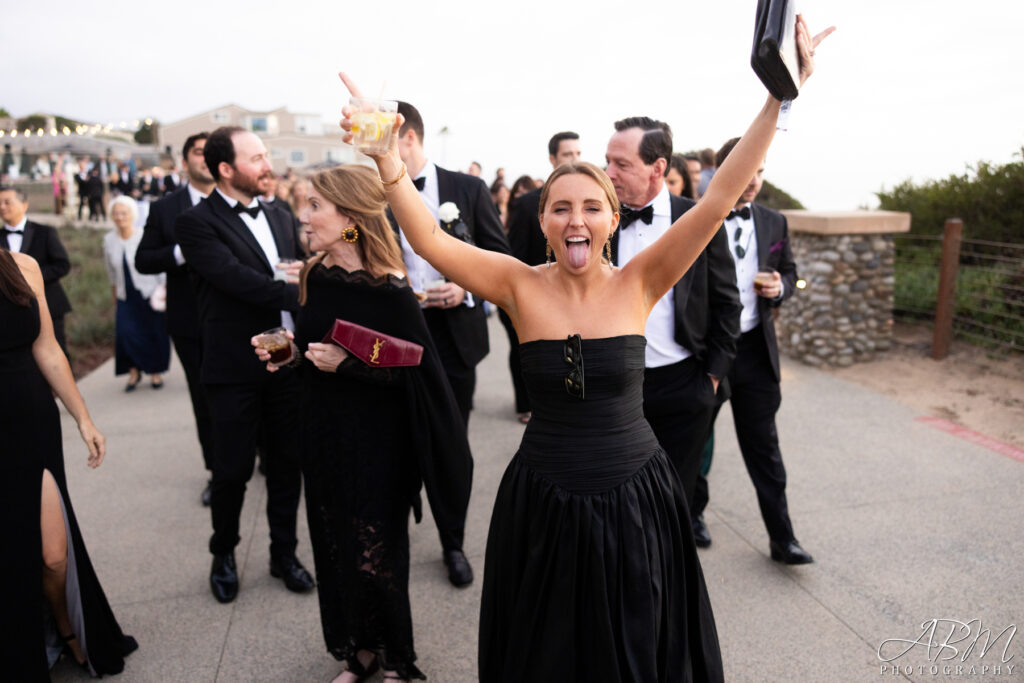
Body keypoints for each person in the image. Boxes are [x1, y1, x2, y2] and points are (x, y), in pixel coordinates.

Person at [338, 18, 828, 673]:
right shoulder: (515, 283)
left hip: (635, 498)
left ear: (611, 219)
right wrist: (387, 158)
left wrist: (779, 96)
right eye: (560, 206)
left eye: (592, 206)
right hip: (542, 503)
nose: (576, 218)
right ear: (542, 222)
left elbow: (714, 201)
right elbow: (429, 240)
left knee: (635, 641)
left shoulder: (642, 279)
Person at [253, 164, 472, 683]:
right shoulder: (312, 274)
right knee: (335, 549)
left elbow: (420, 376)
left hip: (380, 442)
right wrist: (287, 357)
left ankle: (398, 660)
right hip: (322, 433)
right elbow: (312, 349)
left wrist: (350, 364)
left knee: (378, 553)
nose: (302, 218)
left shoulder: (390, 288)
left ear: (348, 216)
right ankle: (360, 652)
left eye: (314, 207)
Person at [175, 126, 314, 603]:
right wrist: (305, 291)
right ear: (226, 169)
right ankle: (224, 554)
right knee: (232, 471)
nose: (267, 165)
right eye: (256, 158)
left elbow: (315, 247)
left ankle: (284, 553)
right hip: (233, 366)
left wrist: (344, 244)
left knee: (286, 466)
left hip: (285, 358)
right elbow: (235, 280)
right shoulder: (197, 223)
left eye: (266, 156)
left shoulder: (279, 211)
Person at [388, 100, 511, 587]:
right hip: (400, 332)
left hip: (456, 336)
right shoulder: (376, 195)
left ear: (409, 138)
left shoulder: (468, 188)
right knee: (400, 437)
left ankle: (453, 541)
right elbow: (358, 237)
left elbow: (499, 255)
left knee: (452, 441)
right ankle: (395, 527)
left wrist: (466, 286)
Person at [0, 247, 138, 679]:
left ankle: (65, 625)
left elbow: (48, 349)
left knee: (53, 555)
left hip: (30, 423)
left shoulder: (21, 266)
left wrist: (83, 418)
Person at [605, 116, 741, 514]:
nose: (608, 173)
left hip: (684, 383)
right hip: (615, 384)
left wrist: (712, 377)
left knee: (673, 497)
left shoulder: (698, 220)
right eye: (607, 161)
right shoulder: (599, 219)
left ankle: (668, 572)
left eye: (622, 164)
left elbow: (727, 302)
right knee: (616, 494)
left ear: (658, 168)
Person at [690, 136, 813, 564]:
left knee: (765, 448)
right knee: (696, 443)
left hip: (757, 354)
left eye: (761, 171)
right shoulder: (696, 218)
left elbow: (790, 271)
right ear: (724, 172)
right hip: (708, 354)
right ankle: (691, 515)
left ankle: (783, 538)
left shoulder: (774, 221)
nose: (754, 181)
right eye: (747, 170)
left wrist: (781, 288)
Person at [136, 132, 217, 505]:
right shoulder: (166, 208)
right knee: (206, 400)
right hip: (191, 322)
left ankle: (263, 454)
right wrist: (182, 252)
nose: (205, 158)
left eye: (211, 152)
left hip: (246, 319)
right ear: (185, 162)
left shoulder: (242, 201)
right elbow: (144, 259)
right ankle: (218, 472)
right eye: (198, 152)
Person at [502, 131, 582, 423]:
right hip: (537, 295)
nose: (574, 159)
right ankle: (526, 404)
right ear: (552, 159)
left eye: (577, 154)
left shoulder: (592, 198)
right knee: (523, 351)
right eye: (567, 154)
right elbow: (516, 255)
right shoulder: (527, 204)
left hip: (580, 298)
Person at [103, 196, 170, 391]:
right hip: (125, 295)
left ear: (132, 215)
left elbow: (158, 265)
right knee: (127, 334)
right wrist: (114, 293)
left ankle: (155, 371)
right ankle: (133, 371)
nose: (119, 217)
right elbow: (110, 271)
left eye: (124, 213)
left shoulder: (144, 235)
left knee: (153, 332)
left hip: (150, 292)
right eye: (116, 213)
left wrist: (164, 290)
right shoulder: (109, 240)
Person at [0, 186, 73, 356]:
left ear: (24, 204)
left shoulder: (45, 232)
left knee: (57, 354)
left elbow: (62, 265)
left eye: (7, 202)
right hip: (12, 311)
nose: (2, 207)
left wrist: (30, 278)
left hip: (49, 304)